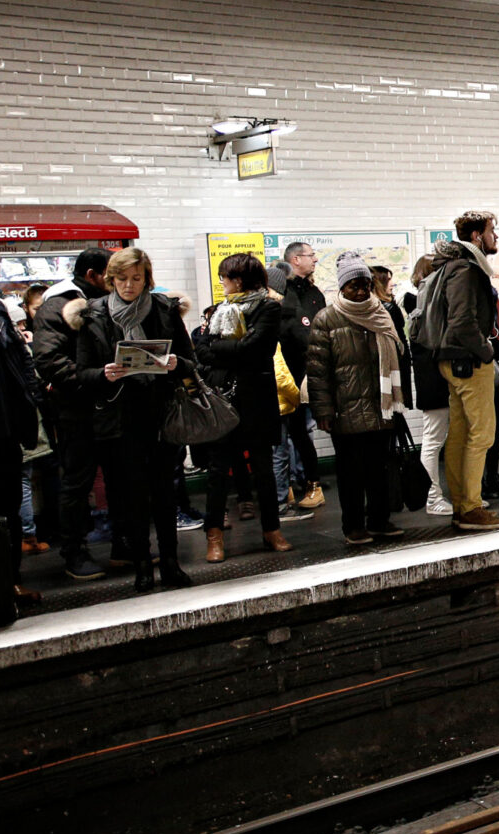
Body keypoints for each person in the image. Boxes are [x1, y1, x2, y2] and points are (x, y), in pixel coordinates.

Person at [69, 248, 196, 592]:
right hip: (118, 418)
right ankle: (142, 565)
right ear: (111, 279)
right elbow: (83, 372)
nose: (129, 285)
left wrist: (175, 365)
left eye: (136, 279)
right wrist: (104, 373)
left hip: (161, 413)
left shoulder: (165, 310)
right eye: (122, 279)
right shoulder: (93, 315)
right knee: (131, 497)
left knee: (164, 494)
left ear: (147, 279)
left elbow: (189, 360)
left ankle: (170, 562)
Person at [414, 211, 499, 532]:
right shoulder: (467, 270)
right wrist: (488, 351)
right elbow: (463, 322)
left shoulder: (451, 266)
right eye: (491, 231)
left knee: (459, 433)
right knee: (481, 432)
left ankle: (461, 503)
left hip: (452, 359)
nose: (495, 237)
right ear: (475, 236)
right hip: (468, 359)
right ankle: (470, 507)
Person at [197, 252, 293, 562]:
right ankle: (214, 535)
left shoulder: (268, 308)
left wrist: (220, 348)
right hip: (223, 398)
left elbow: (254, 348)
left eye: (224, 277)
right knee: (217, 471)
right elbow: (201, 348)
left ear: (238, 280)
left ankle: (272, 530)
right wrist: (230, 350)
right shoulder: (218, 310)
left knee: (263, 469)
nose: (221, 283)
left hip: (256, 400)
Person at [308, 254, 408, 544]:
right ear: (342, 287)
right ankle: (353, 525)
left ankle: (378, 520)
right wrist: (323, 410)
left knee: (378, 470)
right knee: (351, 473)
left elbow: (399, 358)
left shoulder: (381, 312)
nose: (362, 290)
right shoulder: (326, 319)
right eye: (354, 285)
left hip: (380, 407)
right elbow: (317, 372)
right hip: (345, 410)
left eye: (365, 284)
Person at [28, 248, 112, 579]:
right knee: (77, 481)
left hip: (113, 405)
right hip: (78, 409)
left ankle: (123, 543)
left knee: (119, 477)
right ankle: (74, 551)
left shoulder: (111, 302)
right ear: (93, 274)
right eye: (112, 274)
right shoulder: (58, 305)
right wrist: (95, 377)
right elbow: (48, 360)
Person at [0, 266, 44, 608]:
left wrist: (32, 398)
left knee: (7, 511)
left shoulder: (0, 317)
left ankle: (9, 582)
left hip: (3, 428)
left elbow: (21, 360)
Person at [273, 240, 328, 510]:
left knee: (304, 431)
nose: (315, 260)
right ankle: (292, 486)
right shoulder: (283, 292)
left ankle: (312, 484)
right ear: (295, 260)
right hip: (287, 373)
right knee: (288, 435)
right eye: (311, 255)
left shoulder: (314, 292)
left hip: (311, 371)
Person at [404, 253, 452, 514]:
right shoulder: (422, 305)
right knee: (433, 440)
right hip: (434, 380)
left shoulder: (416, 303)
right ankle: (432, 498)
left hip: (431, 379)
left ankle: (440, 496)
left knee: (437, 439)